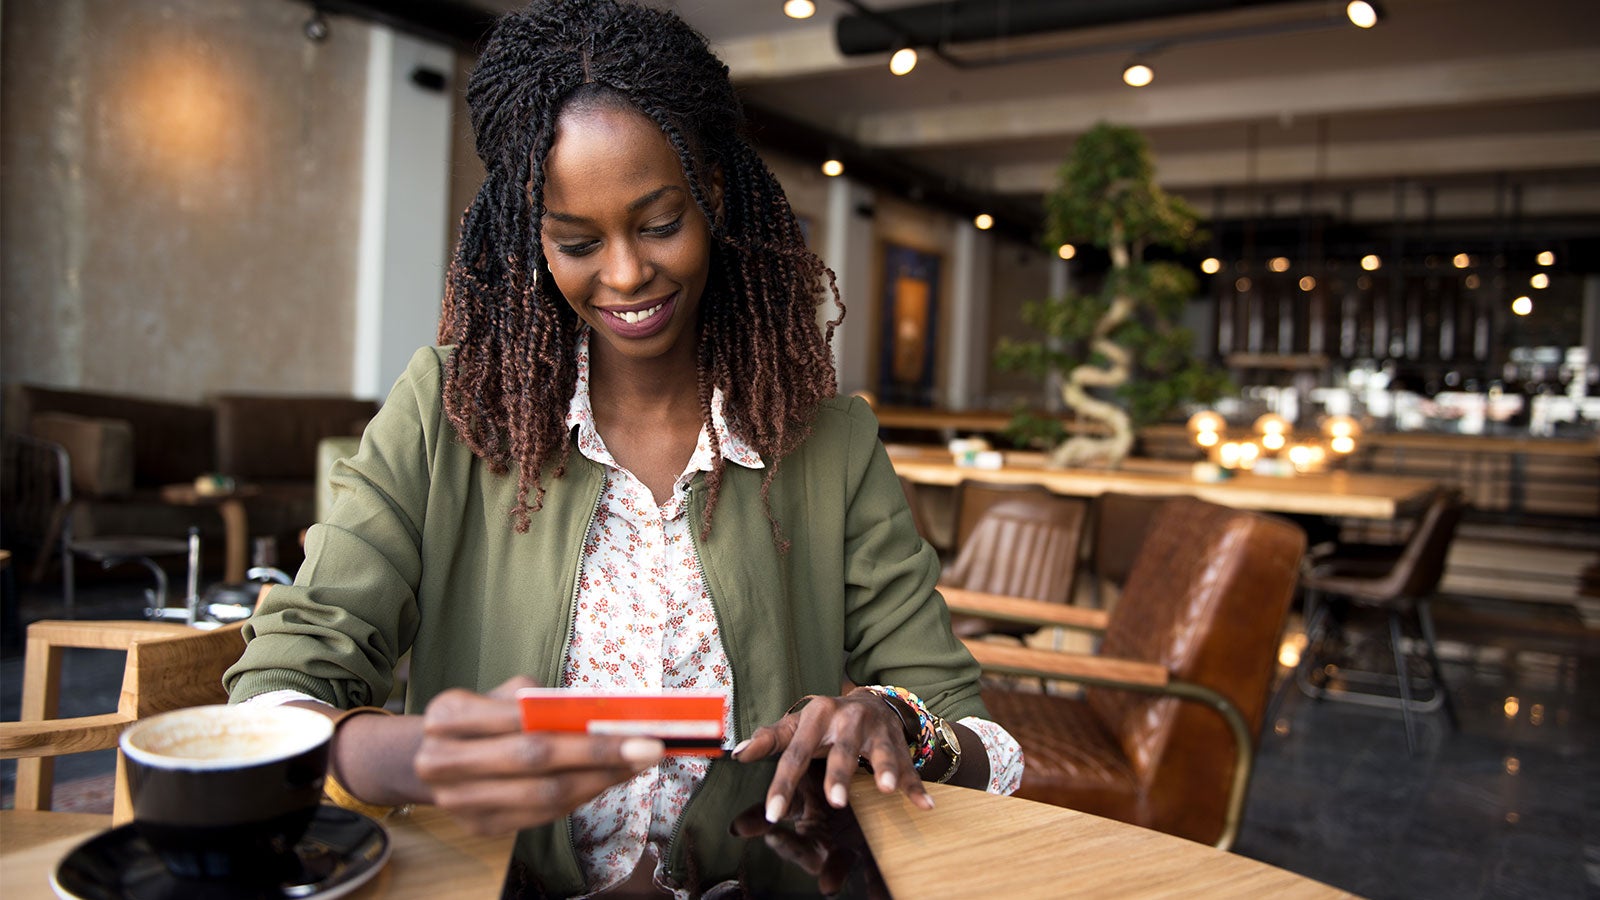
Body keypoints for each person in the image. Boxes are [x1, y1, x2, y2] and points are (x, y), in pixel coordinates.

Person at [225, 0, 1022, 895]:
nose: (626, 273)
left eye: (657, 223)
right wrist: (399, 757)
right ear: (532, 236)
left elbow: (981, 742)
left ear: (713, 195)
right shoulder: (446, 412)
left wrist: (892, 719)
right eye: (576, 241)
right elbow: (279, 684)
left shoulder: (830, 444)